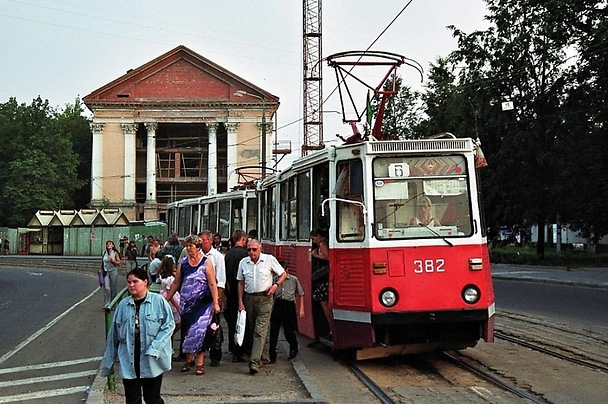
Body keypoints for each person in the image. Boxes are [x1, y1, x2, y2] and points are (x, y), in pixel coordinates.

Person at [100, 266, 174, 404]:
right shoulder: (123, 305)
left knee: (152, 399)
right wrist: (108, 362)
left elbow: (169, 326)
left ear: (145, 282)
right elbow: (113, 336)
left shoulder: (158, 302)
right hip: (129, 359)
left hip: (151, 359)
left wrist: (155, 347)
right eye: (129, 282)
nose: (131, 285)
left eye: (135, 281)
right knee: (132, 399)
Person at [165, 235, 220, 376]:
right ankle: (189, 359)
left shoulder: (206, 263)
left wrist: (216, 303)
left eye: (191, 246)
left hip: (203, 304)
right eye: (187, 246)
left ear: (198, 247)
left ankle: (200, 363)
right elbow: (176, 283)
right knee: (187, 331)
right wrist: (166, 299)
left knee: (200, 332)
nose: (188, 248)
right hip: (187, 303)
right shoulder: (183, 263)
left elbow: (212, 283)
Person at [237, 239, 287, 375]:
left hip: (265, 298)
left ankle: (254, 361)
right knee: (254, 328)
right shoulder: (243, 263)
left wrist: (275, 286)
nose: (251, 252)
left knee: (260, 329)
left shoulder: (269, 260)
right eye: (249, 250)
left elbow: (283, 274)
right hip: (249, 298)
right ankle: (264, 356)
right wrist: (240, 302)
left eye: (254, 249)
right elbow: (240, 283)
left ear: (260, 249)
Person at [198, 230, 226, 366]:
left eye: (202, 240)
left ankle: (215, 355)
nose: (200, 243)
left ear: (210, 241)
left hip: (212, 296)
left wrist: (217, 299)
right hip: (197, 297)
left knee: (214, 326)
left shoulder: (217, 257)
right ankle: (195, 355)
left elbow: (221, 280)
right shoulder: (195, 255)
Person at [268, 260, 305, 363]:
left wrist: (301, 308)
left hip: (289, 305)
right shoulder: (274, 280)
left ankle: (293, 348)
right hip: (278, 304)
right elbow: (272, 296)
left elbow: (301, 293)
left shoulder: (293, 280)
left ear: (287, 271)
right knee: (274, 330)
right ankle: (272, 354)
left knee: (289, 330)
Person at [223, 229, 249, 362]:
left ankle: (233, 348)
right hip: (244, 292)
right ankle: (242, 349)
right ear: (243, 239)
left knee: (232, 322)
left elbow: (225, 276)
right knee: (244, 322)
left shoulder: (228, 255)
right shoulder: (246, 254)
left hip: (230, 291)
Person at [310, 229, 332, 339]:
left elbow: (328, 257)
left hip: (324, 278)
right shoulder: (324, 242)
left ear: (319, 236)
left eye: (314, 239)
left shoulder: (323, 244)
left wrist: (315, 255)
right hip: (323, 277)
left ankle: (332, 329)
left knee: (324, 303)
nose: (313, 241)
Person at [158, 255, 181, 355]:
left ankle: (169, 346)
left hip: (164, 296)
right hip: (171, 299)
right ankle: (169, 344)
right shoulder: (170, 278)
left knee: (170, 323)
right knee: (175, 322)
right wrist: (177, 306)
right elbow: (170, 294)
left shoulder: (163, 275)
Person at [102, 240, 122, 311]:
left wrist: (112, 261)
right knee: (107, 288)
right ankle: (107, 304)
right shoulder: (104, 253)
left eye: (110, 244)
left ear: (113, 245)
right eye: (107, 244)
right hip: (106, 272)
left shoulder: (115, 253)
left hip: (113, 271)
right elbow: (102, 262)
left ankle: (113, 303)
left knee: (113, 288)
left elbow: (119, 263)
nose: (108, 245)